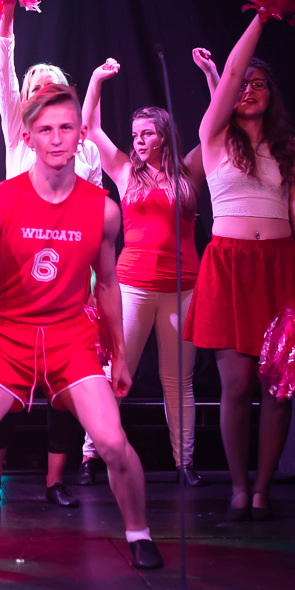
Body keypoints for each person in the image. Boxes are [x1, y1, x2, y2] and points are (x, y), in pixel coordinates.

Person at [0, 85, 159, 573]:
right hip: (6, 337)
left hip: (70, 338)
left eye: (66, 128)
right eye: (46, 130)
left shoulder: (104, 209)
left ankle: (139, 534)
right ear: (28, 137)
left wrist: (119, 354)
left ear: (81, 134)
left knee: (113, 442)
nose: (57, 138)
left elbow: (108, 284)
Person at [189, 9, 295, 522]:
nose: (249, 90)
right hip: (229, 267)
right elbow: (229, 76)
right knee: (238, 386)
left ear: (272, 94)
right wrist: (262, 16)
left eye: (259, 83)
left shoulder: (290, 148)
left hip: (280, 267)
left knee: (278, 388)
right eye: (242, 84)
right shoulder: (215, 137)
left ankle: (264, 489)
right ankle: (239, 488)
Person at [0, 2, 100, 502]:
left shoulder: (83, 148)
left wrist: (92, 287)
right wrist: (7, 11)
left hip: (68, 273)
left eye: (53, 88)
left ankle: (55, 481)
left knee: (62, 386)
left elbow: (94, 223)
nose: (42, 95)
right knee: (4, 383)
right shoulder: (18, 131)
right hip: (16, 271)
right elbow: (4, 66)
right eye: (35, 89)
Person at [82, 59, 206, 487]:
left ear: (164, 136)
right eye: (135, 134)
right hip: (132, 286)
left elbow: (216, 127)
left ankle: (184, 463)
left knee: (179, 381)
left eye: (147, 133)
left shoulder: (188, 172)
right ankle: (91, 454)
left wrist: (212, 77)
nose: (138, 140)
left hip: (182, 287)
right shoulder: (123, 170)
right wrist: (97, 80)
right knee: (114, 373)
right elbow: (91, 128)